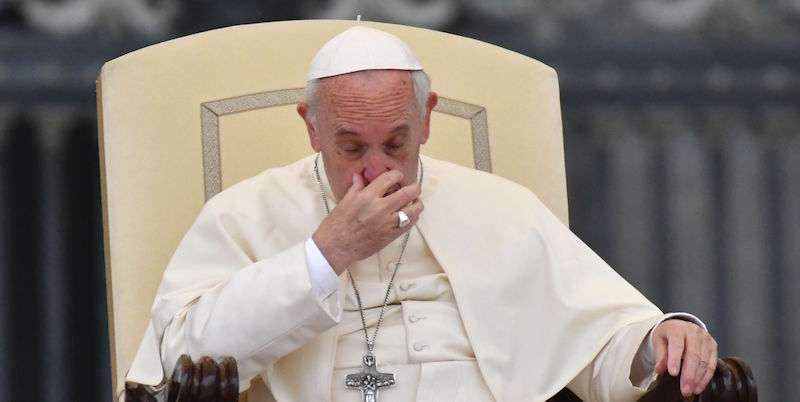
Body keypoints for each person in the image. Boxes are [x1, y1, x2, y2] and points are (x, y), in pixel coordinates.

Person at [126, 25, 718, 401]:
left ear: (428, 118)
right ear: (311, 127)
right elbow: (180, 359)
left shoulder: (501, 208)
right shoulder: (244, 214)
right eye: (351, 146)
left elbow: (599, 346)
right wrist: (325, 254)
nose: (378, 170)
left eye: (397, 144)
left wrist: (660, 340)